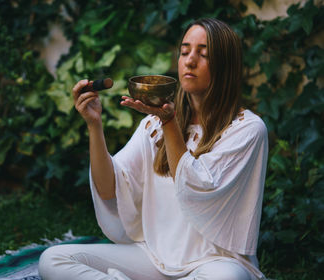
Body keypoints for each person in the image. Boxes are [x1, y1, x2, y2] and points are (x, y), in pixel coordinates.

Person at [38, 18, 268, 280]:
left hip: (214, 263)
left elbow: (195, 187)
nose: (189, 61)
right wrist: (94, 126)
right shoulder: (153, 124)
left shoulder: (247, 130)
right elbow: (108, 188)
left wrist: (168, 122)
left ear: (226, 65)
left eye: (203, 54)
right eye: (184, 52)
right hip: (154, 257)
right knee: (54, 259)